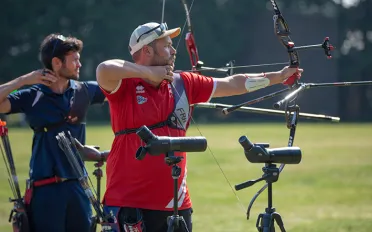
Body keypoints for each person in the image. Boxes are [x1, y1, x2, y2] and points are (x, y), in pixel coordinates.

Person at [95, 22, 303, 232]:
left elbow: (232, 84)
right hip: (128, 202)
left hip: (176, 205)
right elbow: (103, 69)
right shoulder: (124, 85)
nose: (174, 50)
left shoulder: (183, 83)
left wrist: (279, 76)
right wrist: (148, 74)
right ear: (147, 50)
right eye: (167, 45)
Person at [0, 33, 109, 232]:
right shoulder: (33, 95)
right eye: (74, 60)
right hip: (45, 191)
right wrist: (24, 80)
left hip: (79, 188)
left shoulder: (85, 91)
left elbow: (120, 90)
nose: (79, 65)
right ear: (57, 63)